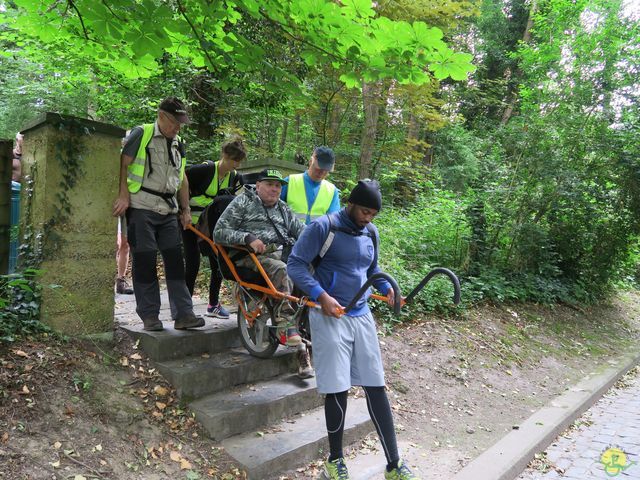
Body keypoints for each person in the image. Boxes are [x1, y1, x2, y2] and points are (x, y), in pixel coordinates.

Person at [287, 180, 420, 480]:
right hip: (328, 314)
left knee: (375, 385)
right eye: (364, 211)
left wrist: (388, 289)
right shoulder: (324, 228)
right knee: (337, 387)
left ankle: (394, 464)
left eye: (373, 213)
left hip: (361, 314)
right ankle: (335, 461)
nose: (367, 218)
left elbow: (371, 270)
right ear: (351, 203)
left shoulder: (370, 232)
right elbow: (294, 265)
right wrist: (321, 295)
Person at [112, 96, 204, 332]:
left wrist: (185, 210)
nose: (178, 127)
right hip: (141, 206)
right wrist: (123, 195)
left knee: (175, 262)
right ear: (162, 116)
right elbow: (123, 164)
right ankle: (150, 316)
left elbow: (181, 178)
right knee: (144, 261)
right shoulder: (141, 134)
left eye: (181, 123)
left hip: (168, 210)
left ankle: (184, 314)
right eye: (175, 121)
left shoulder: (178, 143)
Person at [213, 169, 313, 378]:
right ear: (257, 186)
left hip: (283, 253)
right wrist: (247, 237)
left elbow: (302, 232)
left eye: (278, 186)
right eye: (270, 184)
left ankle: (308, 334)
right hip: (252, 257)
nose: (275, 189)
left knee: (311, 274)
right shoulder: (242, 203)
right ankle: (285, 324)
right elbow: (219, 232)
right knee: (282, 270)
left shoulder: (283, 208)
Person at [183, 137, 246, 318]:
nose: (237, 165)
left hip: (213, 226)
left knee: (219, 263)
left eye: (239, 161)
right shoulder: (204, 170)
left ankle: (213, 304)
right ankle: (185, 306)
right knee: (193, 263)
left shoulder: (234, 178)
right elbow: (182, 181)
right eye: (234, 160)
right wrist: (184, 210)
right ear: (225, 155)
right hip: (191, 223)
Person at [281, 146, 340, 225]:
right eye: (319, 168)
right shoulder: (289, 182)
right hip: (288, 235)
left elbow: (333, 223)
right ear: (310, 161)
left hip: (316, 236)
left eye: (326, 170)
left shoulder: (332, 191)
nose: (322, 173)